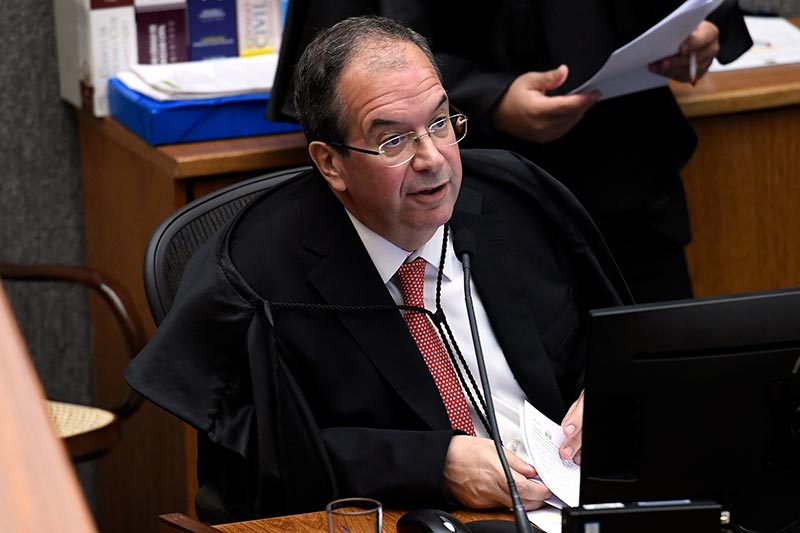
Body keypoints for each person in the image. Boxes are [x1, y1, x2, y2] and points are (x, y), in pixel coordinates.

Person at [125, 16, 627, 520]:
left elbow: (615, 342)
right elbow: (267, 463)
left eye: (439, 122)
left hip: (576, 502)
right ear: (331, 163)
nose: (432, 159)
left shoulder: (515, 202)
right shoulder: (261, 279)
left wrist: (610, 393)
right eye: (394, 141)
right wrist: (434, 465)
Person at [380, 0, 753, 303]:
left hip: (633, 179)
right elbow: (381, 43)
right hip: (488, 193)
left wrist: (702, 29)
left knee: (663, 357)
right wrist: (491, 97)